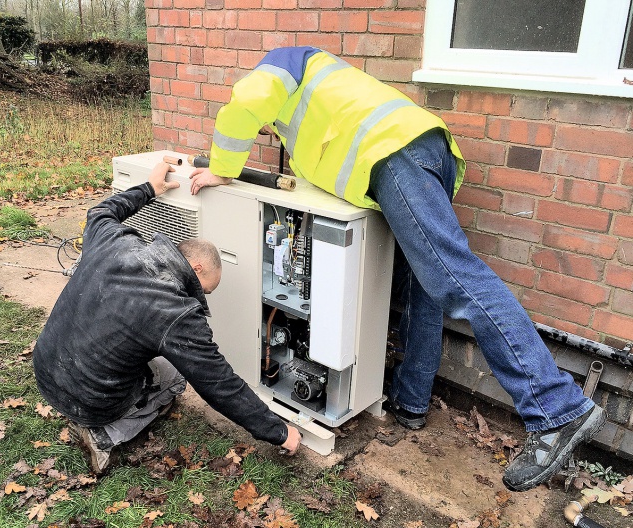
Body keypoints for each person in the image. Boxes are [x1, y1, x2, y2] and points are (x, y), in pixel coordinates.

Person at [189, 46, 605, 492]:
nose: (271, 129)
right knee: (428, 286)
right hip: (423, 151)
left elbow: (245, 103)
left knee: (455, 278)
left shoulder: (280, 64)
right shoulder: (327, 88)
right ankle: (411, 402)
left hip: (396, 159)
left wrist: (223, 170)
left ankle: (556, 407)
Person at [33, 162, 302, 474]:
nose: (202, 296)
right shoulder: (174, 312)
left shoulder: (115, 241)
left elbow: (100, 212)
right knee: (174, 377)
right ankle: (103, 433)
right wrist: (279, 432)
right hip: (90, 400)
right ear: (197, 269)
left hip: (46, 369)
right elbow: (219, 384)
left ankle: (86, 401)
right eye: (207, 291)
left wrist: (149, 189)